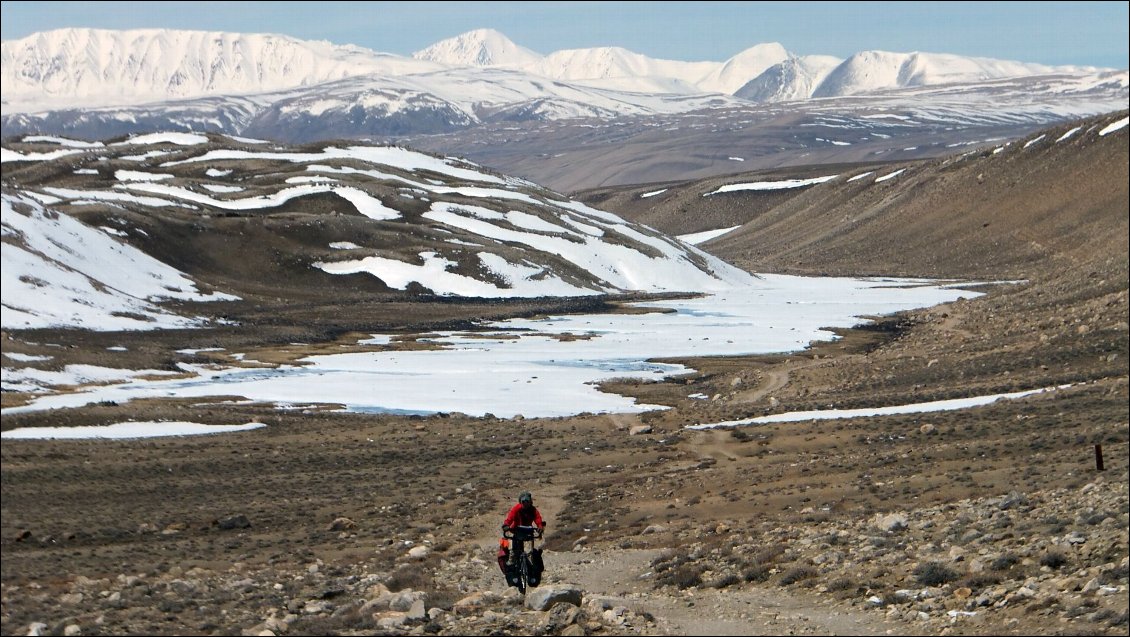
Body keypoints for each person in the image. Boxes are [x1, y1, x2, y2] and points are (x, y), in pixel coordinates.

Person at [501, 491, 545, 565]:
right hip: (516, 530)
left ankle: (532, 563)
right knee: (514, 549)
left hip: (528, 531)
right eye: (523, 502)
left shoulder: (533, 510)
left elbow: (538, 519)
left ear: (530, 502)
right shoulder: (516, 508)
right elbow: (509, 518)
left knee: (532, 551)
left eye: (527, 501)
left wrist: (540, 526)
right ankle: (512, 559)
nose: (525, 503)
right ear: (520, 502)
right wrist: (506, 525)